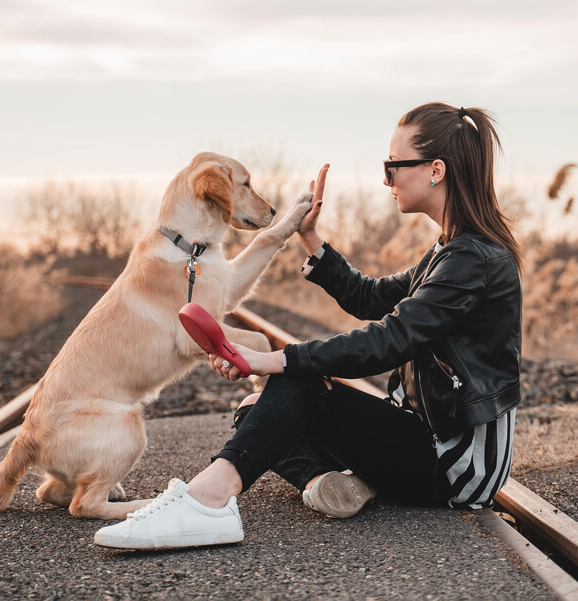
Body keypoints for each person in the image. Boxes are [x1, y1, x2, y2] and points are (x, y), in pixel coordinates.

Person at [94, 102, 524, 550]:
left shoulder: (472, 259)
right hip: (422, 434)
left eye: (393, 166)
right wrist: (310, 236)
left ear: (435, 170)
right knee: (256, 411)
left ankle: (207, 501)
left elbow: (391, 340)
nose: (386, 179)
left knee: (293, 387)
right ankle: (329, 483)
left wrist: (275, 359)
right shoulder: (449, 251)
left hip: (456, 462)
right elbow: (370, 297)